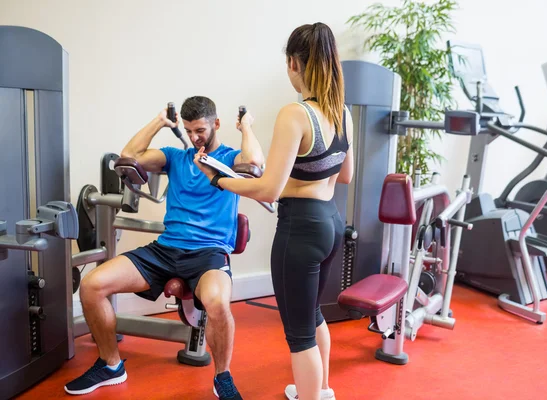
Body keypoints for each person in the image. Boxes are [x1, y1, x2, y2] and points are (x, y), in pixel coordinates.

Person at [64, 96, 265, 400]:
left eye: (200, 130)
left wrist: (247, 127)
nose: (195, 137)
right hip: (166, 250)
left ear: (216, 124)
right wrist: (161, 121)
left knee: (218, 303)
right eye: (189, 130)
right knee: (92, 285)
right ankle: (111, 365)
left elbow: (255, 164)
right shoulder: (175, 156)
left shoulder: (230, 157)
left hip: (209, 253)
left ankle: (222, 377)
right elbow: (129, 155)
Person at [195, 23, 354, 400]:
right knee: (313, 315)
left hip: (300, 230)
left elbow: (268, 188)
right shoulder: (342, 112)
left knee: (299, 337)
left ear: (294, 63)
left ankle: (310, 395)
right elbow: (344, 174)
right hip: (329, 221)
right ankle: (322, 390)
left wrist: (220, 180)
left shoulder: (295, 114)